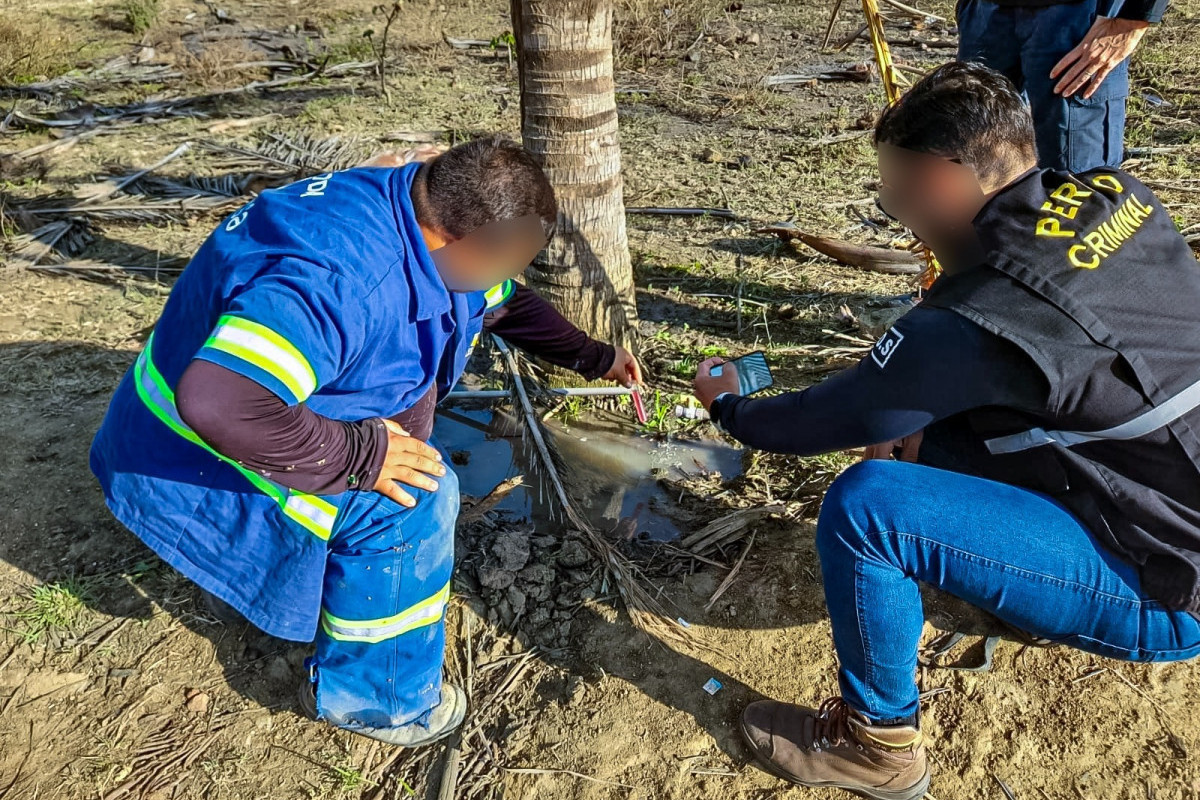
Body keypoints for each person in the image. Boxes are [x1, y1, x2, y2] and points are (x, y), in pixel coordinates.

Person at [693, 62, 1200, 800]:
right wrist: (914, 409)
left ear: (942, 177)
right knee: (928, 440)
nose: (896, 214)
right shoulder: (1115, 196)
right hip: (1168, 498)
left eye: (896, 194)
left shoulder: (978, 317)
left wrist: (729, 407)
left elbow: (809, 423)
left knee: (869, 506)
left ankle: (876, 748)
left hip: (1169, 589)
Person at [90, 136, 641, 747]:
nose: (506, 282)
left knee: (400, 459)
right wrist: (363, 455)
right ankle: (381, 701)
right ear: (463, 242)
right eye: (505, 266)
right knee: (417, 496)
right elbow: (222, 402)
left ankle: (278, 578)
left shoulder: (416, 203)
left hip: (227, 419)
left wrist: (597, 357)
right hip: (194, 455)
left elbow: (504, 306)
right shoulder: (343, 281)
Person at [957, 0, 1168, 172]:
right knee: (975, 170)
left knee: (1076, 183)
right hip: (984, 14)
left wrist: (1135, 18)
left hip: (1080, 17)